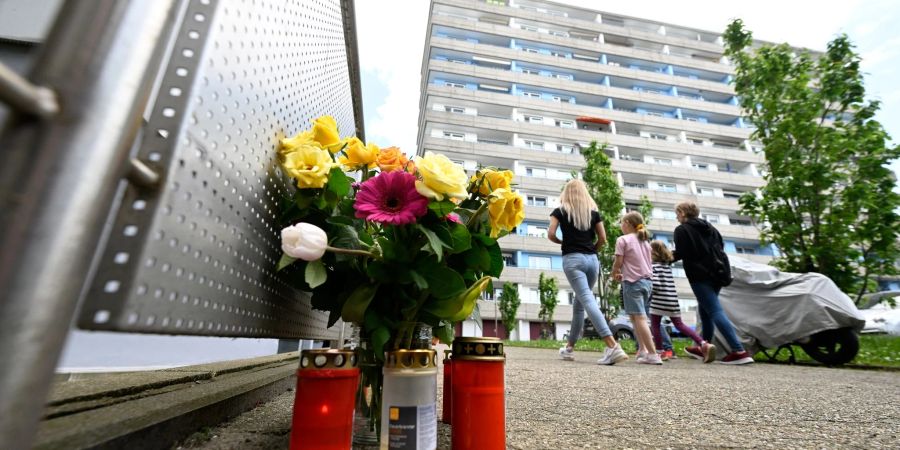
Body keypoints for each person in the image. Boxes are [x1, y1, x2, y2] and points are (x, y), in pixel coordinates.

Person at [548, 180, 628, 365]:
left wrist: (563, 242)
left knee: (586, 299)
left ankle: (612, 345)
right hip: (592, 260)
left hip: (573, 259)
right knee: (580, 303)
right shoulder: (593, 213)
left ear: (566, 193)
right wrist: (593, 249)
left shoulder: (560, 211)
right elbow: (603, 238)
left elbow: (551, 234)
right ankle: (569, 348)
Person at [673, 201, 754, 365]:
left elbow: (681, 253)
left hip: (700, 275)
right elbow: (720, 248)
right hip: (718, 273)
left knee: (715, 310)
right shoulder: (711, 228)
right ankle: (704, 345)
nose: (676, 216)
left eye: (677, 213)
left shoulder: (682, 229)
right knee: (705, 310)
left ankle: (738, 350)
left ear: (682, 213)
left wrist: (662, 257)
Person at [649, 240, 715, 362]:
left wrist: (648, 286)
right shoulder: (666, 266)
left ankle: (660, 352)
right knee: (680, 325)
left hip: (658, 301)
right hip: (672, 300)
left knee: (655, 326)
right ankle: (703, 343)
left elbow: (656, 284)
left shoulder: (653, 266)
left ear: (653, 252)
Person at [611, 211, 662, 365]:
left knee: (639, 319)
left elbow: (618, 262)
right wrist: (623, 273)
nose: (621, 225)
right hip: (647, 283)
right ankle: (643, 350)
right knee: (635, 318)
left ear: (627, 223)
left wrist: (615, 272)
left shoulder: (623, 240)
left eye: (621, 222)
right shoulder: (645, 242)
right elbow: (638, 263)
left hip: (633, 284)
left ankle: (653, 353)